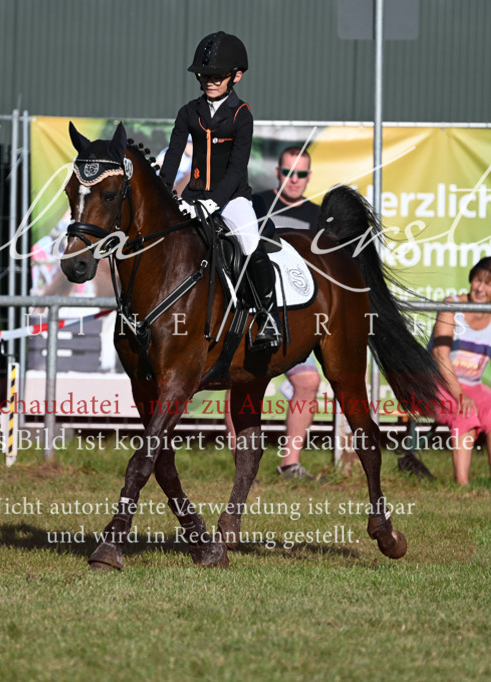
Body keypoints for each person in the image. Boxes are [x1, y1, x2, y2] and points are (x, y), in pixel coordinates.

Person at [158, 30, 280, 350]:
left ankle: (267, 316)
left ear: (236, 76)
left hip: (232, 199)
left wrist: (215, 202)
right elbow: (173, 158)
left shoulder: (242, 115)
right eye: (204, 76)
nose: (210, 81)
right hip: (193, 196)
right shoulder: (188, 112)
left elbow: (237, 168)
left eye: (217, 76)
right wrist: (164, 192)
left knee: (250, 242)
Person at [255, 147, 321, 479]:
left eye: (301, 174)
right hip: (253, 313)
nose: (294, 180)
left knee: (308, 381)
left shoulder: (318, 217)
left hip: (295, 318)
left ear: (309, 177)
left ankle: (289, 464)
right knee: (245, 383)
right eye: (288, 172)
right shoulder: (256, 205)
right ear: (277, 173)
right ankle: (244, 464)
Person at [430, 256, 491, 492]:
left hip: (474, 386)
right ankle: (463, 487)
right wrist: (460, 395)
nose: (480, 288)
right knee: (465, 413)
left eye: (489, 283)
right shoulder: (451, 306)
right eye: (478, 280)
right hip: (439, 383)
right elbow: (440, 354)